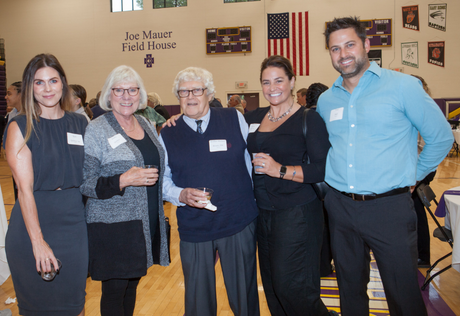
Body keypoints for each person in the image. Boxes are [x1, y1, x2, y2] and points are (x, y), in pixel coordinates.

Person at [317, 17, 454, 316]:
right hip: (340, 207)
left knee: (402, 294)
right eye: (335, 48)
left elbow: (441, 138)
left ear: (367, 45)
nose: (343, 54)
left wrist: (413, 177)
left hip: (388, 208)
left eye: (350, 44)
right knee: (350, 291)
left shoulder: (403, 86)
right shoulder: (327, 101)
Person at [160, 67, 259, 316]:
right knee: (198, 301)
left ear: (208, 93)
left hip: (237, 221)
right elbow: (162, 180)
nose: (190, 96)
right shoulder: (168, 133)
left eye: (196, 90)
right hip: (195, 227)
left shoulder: (233, 118)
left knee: (243, 296)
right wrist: (179, 195)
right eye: (183, 92)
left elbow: (251, 163)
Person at [244, 55, 334, 316]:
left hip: (297, 213)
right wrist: (178, 119)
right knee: (272, 287)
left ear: (292, 82)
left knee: (293, 287)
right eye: (266, 82)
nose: (272, 88)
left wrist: (279, 170)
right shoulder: (254, 117)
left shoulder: (309, 119)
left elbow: (322, 168)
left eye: (279, 80)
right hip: (262, 213)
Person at [80, 65, 169, 316]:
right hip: (113, 229)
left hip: (143, 224)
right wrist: (123, 179)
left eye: (132, 90)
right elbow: (86, 182)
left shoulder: (145, 123)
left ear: (140, 94)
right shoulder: (97, 129)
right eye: (119, 90)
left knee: (131, 288)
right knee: (115, 293)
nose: (126, 96)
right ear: (108, 95)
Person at [4, 53, 88, 316]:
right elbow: (24, 190)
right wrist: (38, 242)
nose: (47, 88)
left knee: (75, 304)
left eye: (53, 80)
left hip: (74, 224)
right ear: (30, 87)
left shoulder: (79, 123)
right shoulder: (21, 126)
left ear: (63, 83)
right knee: (38, 308)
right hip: (34, 223)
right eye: (39, 82)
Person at [410, 74, 436, 268]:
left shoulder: (421, 109)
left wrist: (416, 175)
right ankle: (418, 253)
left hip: (420, 167)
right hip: (420, 167)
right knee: (414, 211)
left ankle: (422, 255)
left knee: (416, 211)